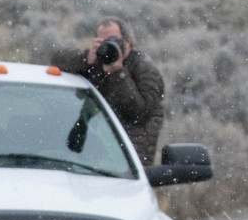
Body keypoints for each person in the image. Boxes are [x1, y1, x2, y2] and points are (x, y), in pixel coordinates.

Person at [50, 17, 165, 165]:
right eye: (102, 40)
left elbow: (138, 113)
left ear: (128, 42)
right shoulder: (96, 62)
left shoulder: (144, 68)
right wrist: (85, 58)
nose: (108, 45)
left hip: (130, 163)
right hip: (90, 159)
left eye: (113, 40)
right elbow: (57, 59)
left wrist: (117, 73)